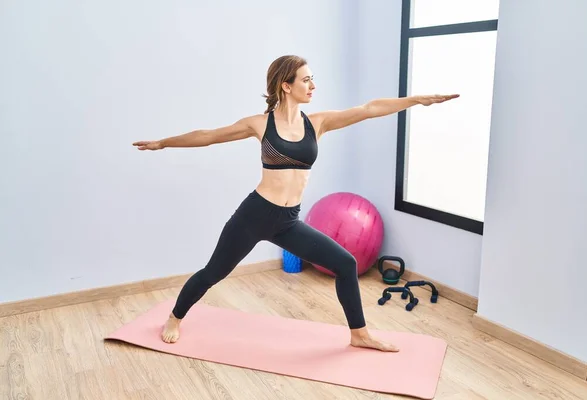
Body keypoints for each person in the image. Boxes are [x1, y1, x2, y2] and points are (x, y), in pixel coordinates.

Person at [132, 55, 458, 352]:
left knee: (345, 264)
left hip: (288, 221)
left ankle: (359, 334)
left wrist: (415, 100)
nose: (313, 86)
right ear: (285, 86)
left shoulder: (317, 123)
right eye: (306, 80)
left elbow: (368, 109)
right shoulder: (259, 124)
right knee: (213, 273)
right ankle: (175, 317)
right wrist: (164, 143)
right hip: (254, 215)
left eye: (313, 79)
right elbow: (208, 135)